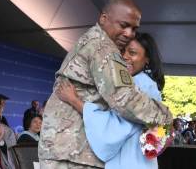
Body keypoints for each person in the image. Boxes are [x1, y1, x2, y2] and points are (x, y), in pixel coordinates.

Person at [38, 0, 173, 169]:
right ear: (103, 18)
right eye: (124, 26)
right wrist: (166, 117)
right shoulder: (104, 48)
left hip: (67, 147)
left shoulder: (92, 40)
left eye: (133, 28)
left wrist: (75, 101)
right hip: (72, 151)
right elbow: (126, 99)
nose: (129, 33)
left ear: (147, 59)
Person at [56, 33, 169, 169]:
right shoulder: (149, 85)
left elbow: (114, 127)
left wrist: (74, 101)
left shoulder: (138, 84)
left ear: (147, 60)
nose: (125, 56)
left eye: (132, 53)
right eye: (123, 51)